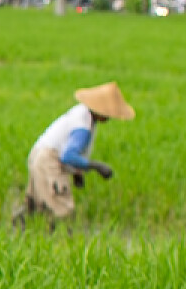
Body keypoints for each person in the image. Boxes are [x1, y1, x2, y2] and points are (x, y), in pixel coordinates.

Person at [16, 82, 135, 229]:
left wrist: (77, 173)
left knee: (36, 204)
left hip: (39, 154)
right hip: (48, 160)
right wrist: (96, 166)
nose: (109, 118)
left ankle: (19, 232)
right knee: (63, 210)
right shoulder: (83, 127)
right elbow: (68, 155)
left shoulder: (82, 113)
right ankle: (58, 243)